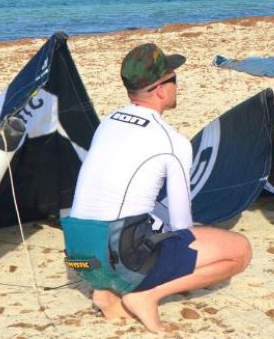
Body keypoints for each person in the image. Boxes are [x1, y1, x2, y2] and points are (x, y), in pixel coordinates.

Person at [62, 43, 252, 333]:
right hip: (120, 255)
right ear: (162, 89)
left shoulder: (108, 122)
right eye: (174, 79)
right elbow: (182, 225)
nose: (177, 85)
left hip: (79, 257)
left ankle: (106, 292)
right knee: (239, 250)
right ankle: (146, 295)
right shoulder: (171, 141)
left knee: (140, 227)